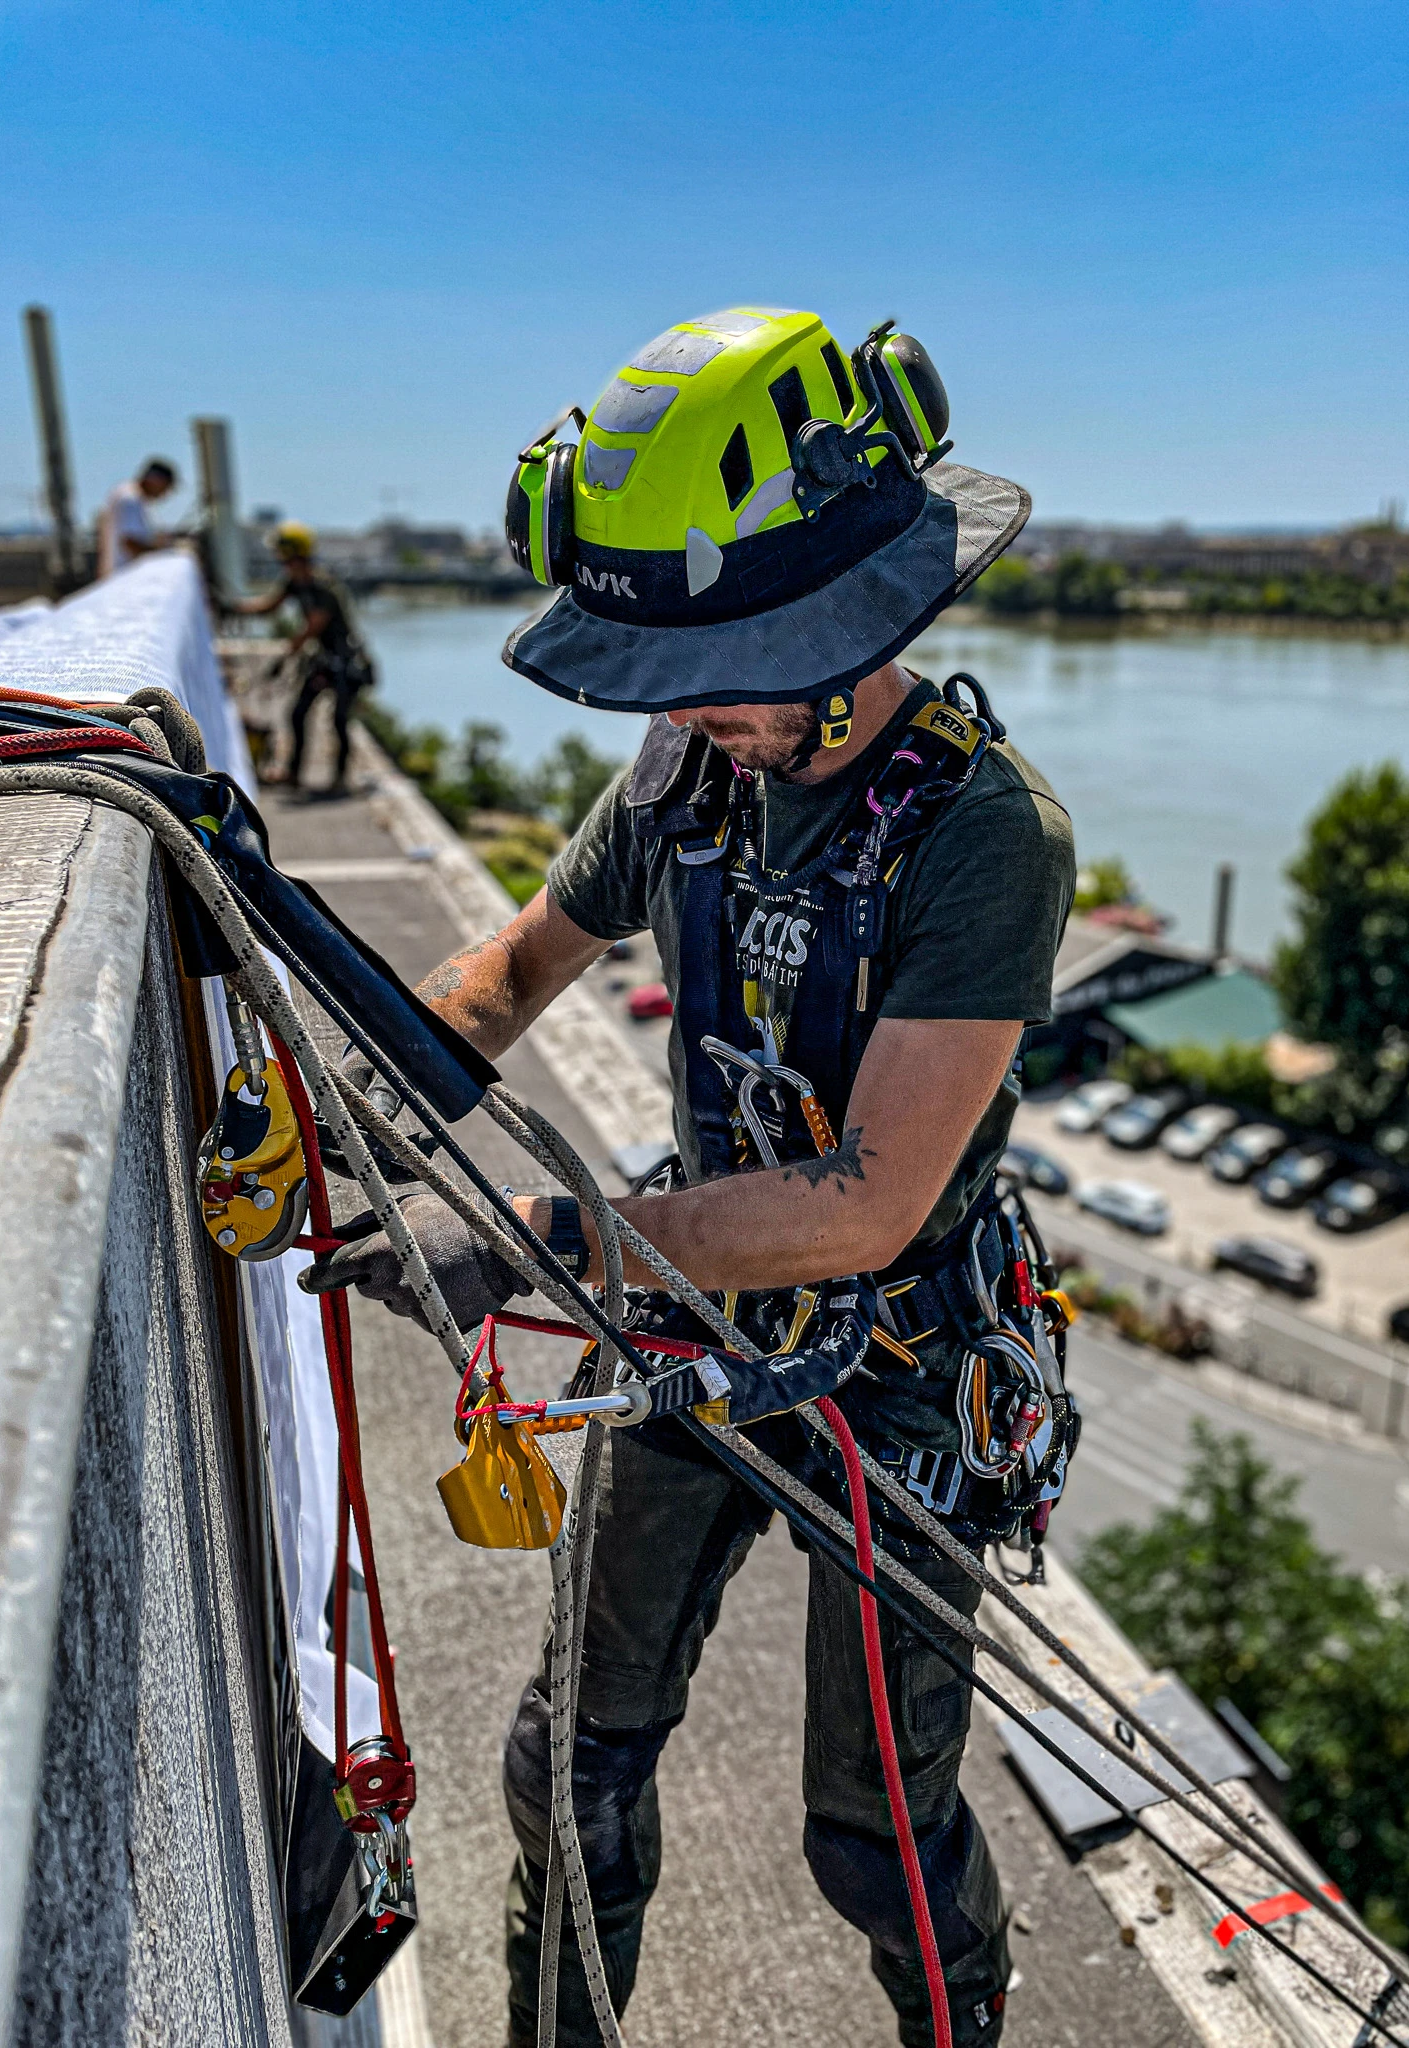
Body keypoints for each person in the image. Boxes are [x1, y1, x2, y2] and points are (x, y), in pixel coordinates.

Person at [305, 308, 1076, 2045]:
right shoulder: (687, 775)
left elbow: (871, 1198)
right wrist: (349, 1108)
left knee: (875, 1830)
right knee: (562, 1761)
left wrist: (544, 1239)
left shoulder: (984, 836)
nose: (675, 711)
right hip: (690, 1321)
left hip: (897, 1368)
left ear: (847, 625)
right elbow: (503, 977)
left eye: (711, 670)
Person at [233, 522, 372, 792]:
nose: (279, 559)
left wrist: (285, 656)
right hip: (323, 661)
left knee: (339, 721)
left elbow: (312, 628)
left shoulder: (323, 588)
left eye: (282, 553)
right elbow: (269, 606)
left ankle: (340, 779)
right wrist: (233, 606)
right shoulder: (295, 583)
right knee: (297, 714)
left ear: (293, 553)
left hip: (343, 663)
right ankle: (294, 774)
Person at [97, 457, 178, 578]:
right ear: (156, 480)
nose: (163, 495)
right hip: (124, 577)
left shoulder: (126, 492)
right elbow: (130, 544)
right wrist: (163, 552)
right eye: (165, 488)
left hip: (117, 577)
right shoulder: (131, 499)